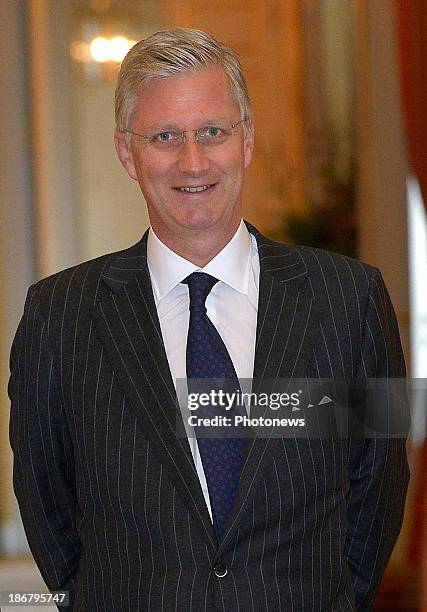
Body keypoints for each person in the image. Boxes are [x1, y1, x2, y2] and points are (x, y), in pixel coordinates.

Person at [9, 28, 409, 611]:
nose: (192, 161)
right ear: (127, 152)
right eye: (165, 136)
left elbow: (379, 487)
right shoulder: (59, 316)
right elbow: (48, 506)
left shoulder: (349, 299)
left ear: (246, 140)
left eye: (213, 133)